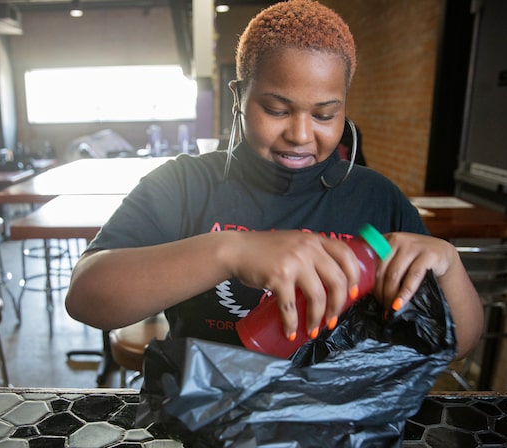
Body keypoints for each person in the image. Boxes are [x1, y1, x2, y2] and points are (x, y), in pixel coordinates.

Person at [66, 0, 483, 359]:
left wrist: (449, 266)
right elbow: (87, 298)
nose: (301, 135)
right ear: (238, 97)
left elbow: (456, 343)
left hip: (335, 424)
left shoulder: (377, 200)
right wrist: (229, 252)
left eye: (324, 114)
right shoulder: (182, 186)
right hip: (201, 416)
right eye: (278, 109)